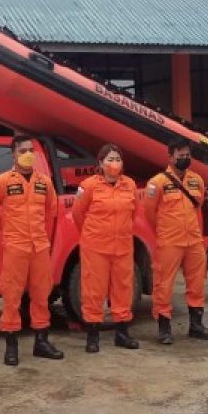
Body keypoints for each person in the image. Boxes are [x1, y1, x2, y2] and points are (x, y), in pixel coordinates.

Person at [0, 134, 65, 365]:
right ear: (14, 154)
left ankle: (42, 342)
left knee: (41, 295)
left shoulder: (44, 182)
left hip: (39, 247)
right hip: (15, 247)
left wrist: (40, 234)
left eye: (30, 151)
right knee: (12, 295)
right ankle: (11, 346)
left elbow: (52, 210)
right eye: (22, 151)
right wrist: (9, 227)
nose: (27, 155)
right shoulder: (1, 182)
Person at [142, 139, 208, 344]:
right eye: (180, 155)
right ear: (170, 157)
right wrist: (165, 230)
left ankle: (196, 325)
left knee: (197, 282)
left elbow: (198, 203)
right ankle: (164, 328)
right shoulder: (157, 183)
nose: (185, 159)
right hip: (169, 241)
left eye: (187, 155)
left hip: (193, 240)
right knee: (163, 284)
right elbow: (149, 212)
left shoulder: (197, 180)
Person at [71, 143, 140, 353]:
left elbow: (133, 213)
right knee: (94, 290)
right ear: (100, 163)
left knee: (123, 289)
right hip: (96, 247)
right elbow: (77, 214)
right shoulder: (88, 186)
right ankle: (93, 335)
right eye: (110, 159)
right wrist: (95, 235)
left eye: (117, 159)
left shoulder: (129, 185)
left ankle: (122, 333)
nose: (114, 164)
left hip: (123, 246)